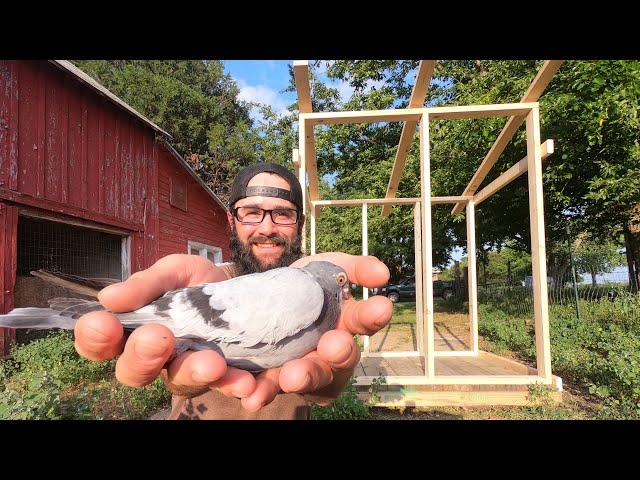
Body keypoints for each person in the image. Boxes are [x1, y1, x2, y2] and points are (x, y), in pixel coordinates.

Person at [73, 163, 393, 419]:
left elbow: (321, 392)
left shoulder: (322, 305)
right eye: (252, 212)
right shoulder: (206, 281)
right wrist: (167, 362)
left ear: (300, 222)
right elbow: (168, 362)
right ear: (231, 220)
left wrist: (333, 379)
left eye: (282, 214)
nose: (267, 228)